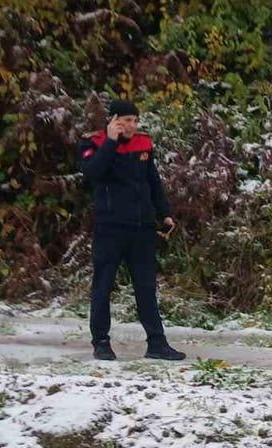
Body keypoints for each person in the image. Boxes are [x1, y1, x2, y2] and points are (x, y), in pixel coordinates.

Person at [77, 99, 185, 361]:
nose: (132, 125)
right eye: (126, 120)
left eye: (135, 120)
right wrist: (112, 142)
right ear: (113, 121)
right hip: (110, 228)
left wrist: (165, 212)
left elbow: (152, 181)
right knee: (103, 286)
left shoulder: (143, 143)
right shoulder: (93, 143)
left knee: (146, 287)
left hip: (142, 228)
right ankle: (101, 342)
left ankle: (157, 344)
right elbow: (92, 173)